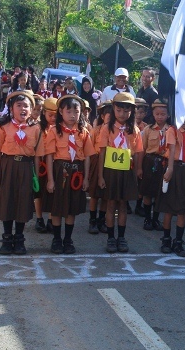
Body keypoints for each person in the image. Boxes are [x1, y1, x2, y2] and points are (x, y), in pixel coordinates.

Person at [0, 90, 44, 255]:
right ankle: (6, 239)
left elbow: (37, 156)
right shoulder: (3, 126)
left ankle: (19, 239)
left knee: (22, 203)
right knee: (7, 202)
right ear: (11, 109)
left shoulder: (36, 129)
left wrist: (36, 177)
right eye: (18, 105)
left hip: (26, 168)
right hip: (8, 166)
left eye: (26, 105)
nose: (23, 109)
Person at [45, 95, 95, 254]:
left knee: (72, 207)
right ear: (61, 111)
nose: (73, 115)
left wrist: (86, 178)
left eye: (77, 112)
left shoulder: (83, 132)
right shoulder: (54, 131)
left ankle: (68, 239)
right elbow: (49, 156)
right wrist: (50, 180)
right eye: (69, 111)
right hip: (60, 170)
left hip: (77, 171)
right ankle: (56, 239)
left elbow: (87, 156)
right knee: (58, 207)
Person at [97, 92, 143, 253]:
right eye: (119, 110)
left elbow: (137, 152)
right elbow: (101, 152)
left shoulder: (134, 130)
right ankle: (110, 237)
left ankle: (121, 237)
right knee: (110, 204)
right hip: (110, 171)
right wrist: (100, 175)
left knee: (123, 205)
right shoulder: (106, 128)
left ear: (131, 112)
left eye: (126, 111)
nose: (122, 114)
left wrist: (138, 171)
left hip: (126, 171)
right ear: (113, 109)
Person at [157, 109, 185, 257]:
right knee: (169, 208)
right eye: (183, 117)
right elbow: (171, 149)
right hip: (174, 169)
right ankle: (166, 240)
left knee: (183, 209)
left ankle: (178, 241)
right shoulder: (172, 130)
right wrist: (169, 169)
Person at [140, 99, 171, 231]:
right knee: (148, 193)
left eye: (163, 114)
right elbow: (142, 149)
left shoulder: (171, 130)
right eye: (157, 114)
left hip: (164, 162)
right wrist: (139, 167)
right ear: (153, 114)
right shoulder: (148, 130)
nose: (160, 116)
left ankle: (155, 219)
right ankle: (147, 218)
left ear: (168, 115)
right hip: (149, 162)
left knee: (160, 193)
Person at [87, 101, 112, 235]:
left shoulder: (116, 131)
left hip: (111, 162)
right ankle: (92, 220)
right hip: (97, 161)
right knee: (95, 194)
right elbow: (90, 149)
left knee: (106, 195)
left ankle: (101, 219)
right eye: (108, 116)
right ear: (102, 116)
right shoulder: (96, 130)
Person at [34, 97, 57, 233]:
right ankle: (39, 218)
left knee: (52, 193)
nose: (53, 118)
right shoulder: (38, 128)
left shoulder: (60, 129)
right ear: (44, 113)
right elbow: (36, 153)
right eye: (50, 115)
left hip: (55, 165)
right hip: (40, 163)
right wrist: (36, 173)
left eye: (56, 115)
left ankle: (50, 219)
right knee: (38, 192)